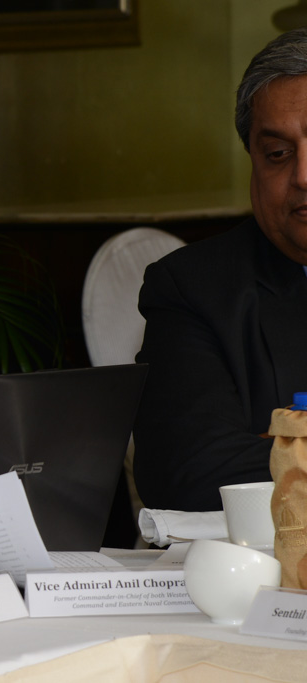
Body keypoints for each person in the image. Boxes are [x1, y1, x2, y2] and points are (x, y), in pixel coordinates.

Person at [133, 28, 307, 512]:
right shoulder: (193, 289)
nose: (303, 175)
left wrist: (283, 447)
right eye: (278, 154)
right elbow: (189, 471)